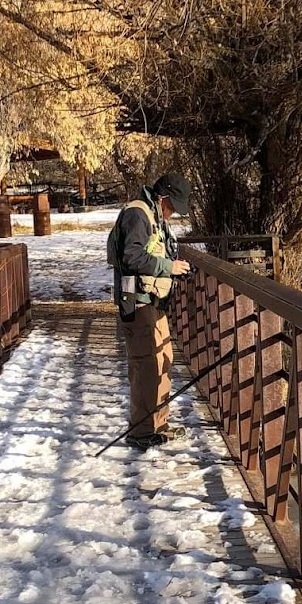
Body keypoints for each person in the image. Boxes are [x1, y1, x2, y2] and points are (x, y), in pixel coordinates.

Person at [108, 171, 193, 448]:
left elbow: (153, 253)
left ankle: (159, 424)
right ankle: (141, 433)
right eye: (172, 207)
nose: (172, 214)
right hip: (137, 300)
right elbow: (131, 256)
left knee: (163, 359)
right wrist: (168, 267)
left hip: (154, 301)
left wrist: (171, 270)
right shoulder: (138, 214)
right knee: (146, 366)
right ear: (163, 198)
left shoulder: (154, 216)